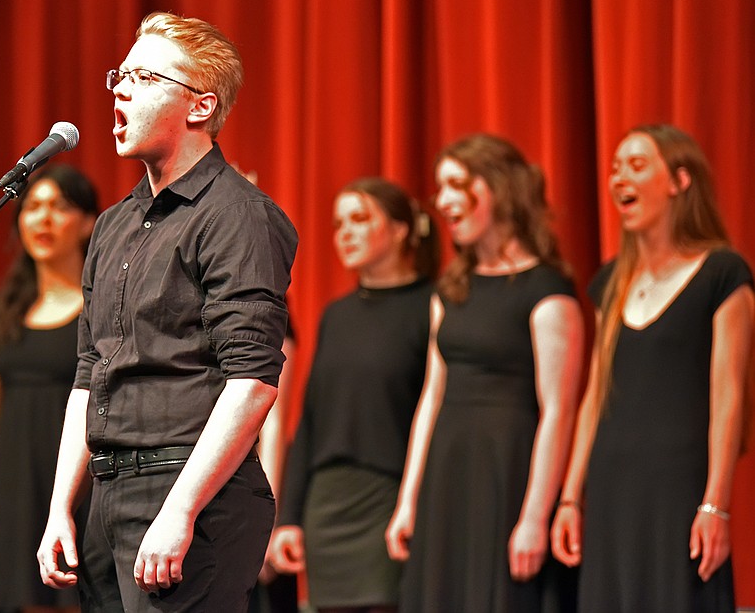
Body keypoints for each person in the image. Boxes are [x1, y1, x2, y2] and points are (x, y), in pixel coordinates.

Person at [36, 11, 298, 611]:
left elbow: (254, 381)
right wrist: (60, 509)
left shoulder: (236, 214)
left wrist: (180, 510)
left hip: (191, 495)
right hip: (108, 495)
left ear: (200, 108)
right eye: (120, 76)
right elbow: (89, 374)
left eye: (145, 77)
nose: (121, 90)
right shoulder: (114, 224)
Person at [550, 124, 753, 612]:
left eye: (637, 165)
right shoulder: (610, 283)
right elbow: (595, 396)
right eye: (616, 168)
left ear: (680, 181)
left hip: (676, 486)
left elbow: (728, 396)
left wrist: (714, 503)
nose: (620, 178)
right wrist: (570, 498)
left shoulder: (722, 274)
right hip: (611, 484)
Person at [385, 134, 584, 612]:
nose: (444, 200)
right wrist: (409, 499)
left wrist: (536, 515)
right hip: (448, 475)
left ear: (499, 188)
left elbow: (558, 412)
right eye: (440, 187)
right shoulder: (451, 290)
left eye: (458, 183)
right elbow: (431, 396)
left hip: (507, 475)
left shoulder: (548, 292)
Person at [269, 178, 438, 613]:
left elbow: (435, 411)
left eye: (359, 219)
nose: (344, 232)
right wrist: (288, 518)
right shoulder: (336, 316)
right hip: (327, 506)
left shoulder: (433, 306)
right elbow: (309, 421)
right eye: (338, 222)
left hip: (391, 501)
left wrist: (411, 503)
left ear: (402, 229)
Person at [0, 164, 98, 612]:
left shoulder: (102, 311)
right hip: (11, 495)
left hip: (83, 490)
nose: (43, 219)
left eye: (59, 207)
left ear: (89, 222)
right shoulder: (0, 316)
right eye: (33, 207)